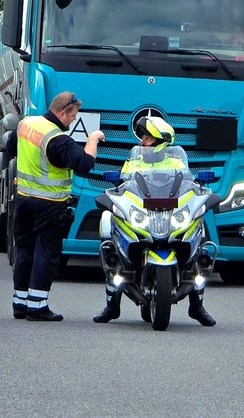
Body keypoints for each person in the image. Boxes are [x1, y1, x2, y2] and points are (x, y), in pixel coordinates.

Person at [93, 115, 216, 326]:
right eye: (143, 138)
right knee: (109, 226)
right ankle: (112, 305)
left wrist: (199, 190)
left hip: (169, 214)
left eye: (148, 138)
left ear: (161, 141)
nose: (143, 142)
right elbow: (123, 186)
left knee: (200, 228)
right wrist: (115, 185)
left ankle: (197, 306)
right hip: (143, 214)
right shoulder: (134, 160)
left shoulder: (177, 161)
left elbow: (188, 185)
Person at [5, 91, 104, 321]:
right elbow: (84, 165)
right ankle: (37, 306)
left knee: (25, 250)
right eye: (72, 116)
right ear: (62, 113)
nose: (73, 121)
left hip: (24, 200)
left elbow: (11, 150)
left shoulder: (26, 124)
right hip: (49, 205)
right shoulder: (58, 139)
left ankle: (20, 303)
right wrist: (92, 139)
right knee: (47, 254)